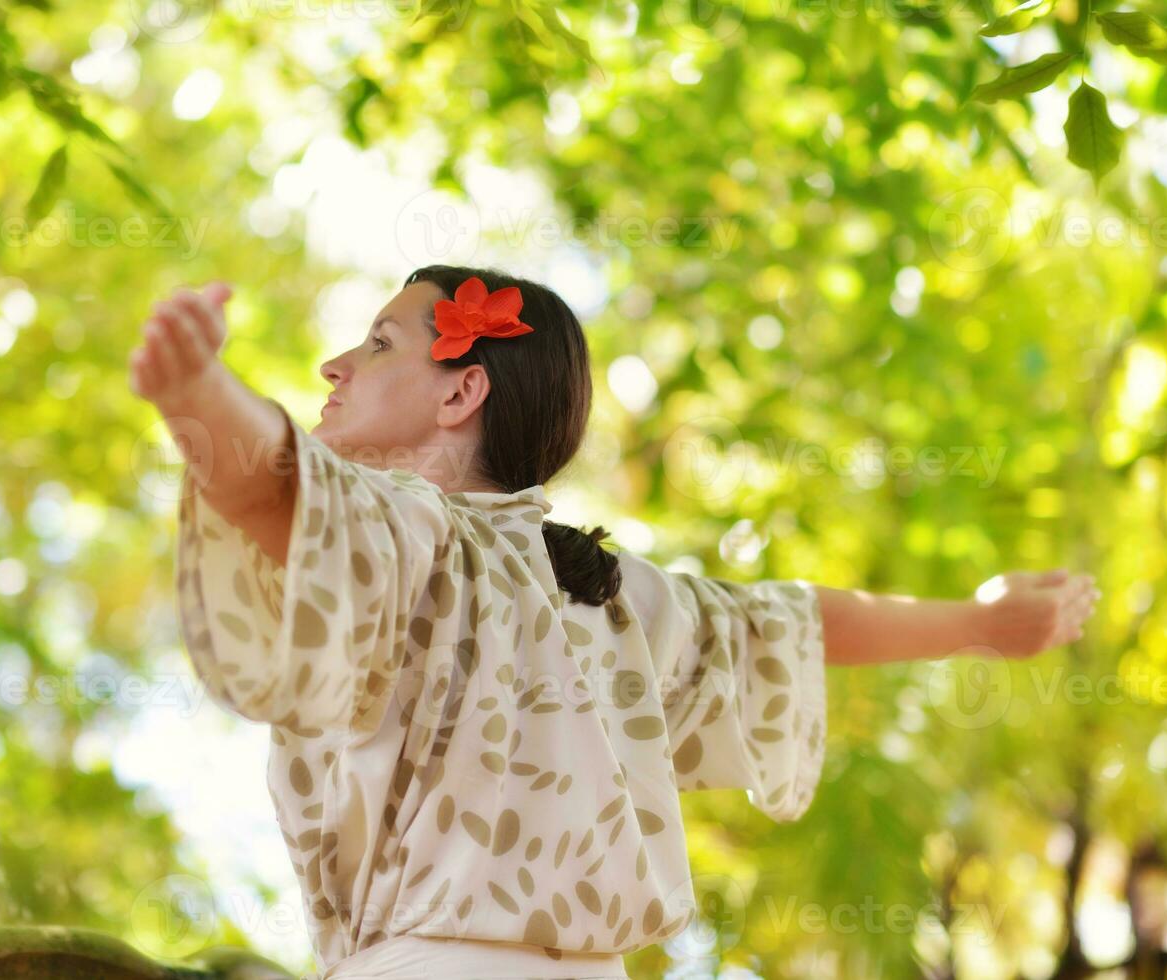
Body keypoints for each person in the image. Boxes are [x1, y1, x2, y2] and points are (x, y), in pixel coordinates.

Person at [130, 266, 1098, 979]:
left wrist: (197, 396)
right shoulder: (615, 597)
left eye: (378, 341)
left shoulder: (417, 529)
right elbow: (796, 622)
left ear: (462, 390)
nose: (335, 363)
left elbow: (274, 484)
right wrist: (976, 624)